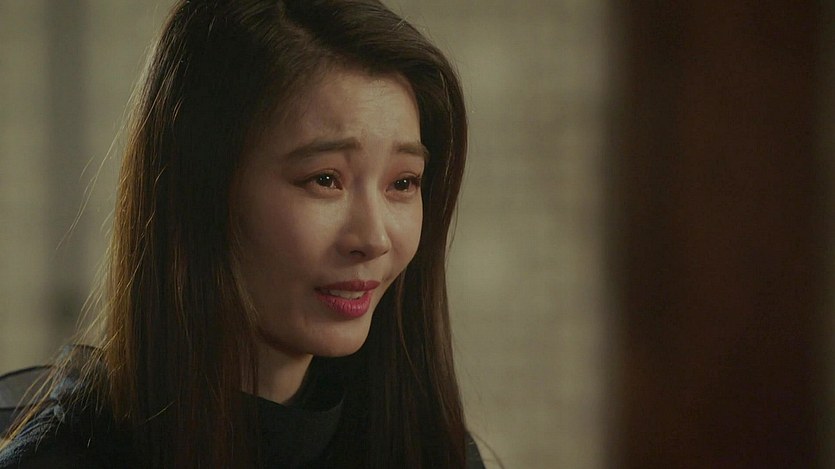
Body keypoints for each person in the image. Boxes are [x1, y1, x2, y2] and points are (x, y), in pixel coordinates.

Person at [0, 0, 484, 467]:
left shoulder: (430, 449)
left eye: (403, 183)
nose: (374, 238)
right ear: (201, 189)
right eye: (325, 179)